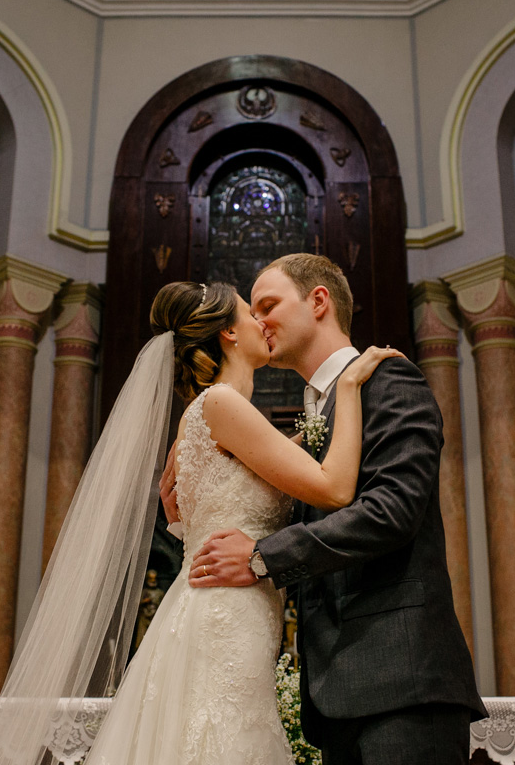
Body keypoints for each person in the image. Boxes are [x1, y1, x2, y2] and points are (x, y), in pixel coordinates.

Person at [0, 280, 400, 765]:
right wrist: (347, 387)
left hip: (222, 601)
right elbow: (334, 489)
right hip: (227, 609)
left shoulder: (205, 417)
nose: (262, 323)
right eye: (251, 312)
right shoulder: (221, 407)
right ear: (228, 333)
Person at [177, 253, 487, 764]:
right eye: (251, 312)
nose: (257, 322)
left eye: (268, 305)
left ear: (318, 301)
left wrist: (261, 557)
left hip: (400, 681)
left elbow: (391, 511)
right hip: (333, 690)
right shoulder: (316, 413)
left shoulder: (389, 381)